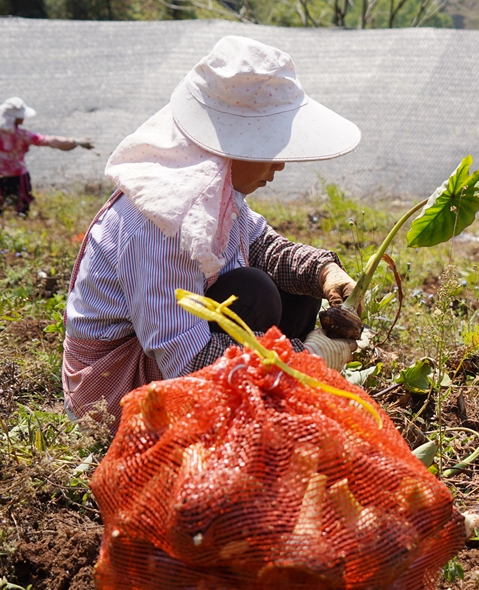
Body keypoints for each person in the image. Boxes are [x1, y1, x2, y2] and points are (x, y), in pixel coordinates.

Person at [62, 36, 364, 430]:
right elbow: (185, 358)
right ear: (230, 147)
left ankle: (266, 399)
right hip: (113, 392)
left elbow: (263, 246)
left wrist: (323, 271)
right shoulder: (161, 221)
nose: (280, 166)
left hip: (165, 357)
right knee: (254, 290)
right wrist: (307, 357)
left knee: (293, 290)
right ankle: (252, 405)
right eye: (270, 149)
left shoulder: (214, 194)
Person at [0, 97, 93, 217]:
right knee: (21, 210)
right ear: (14, 118)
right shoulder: (22, 135)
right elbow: (49, 140)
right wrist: (73, 141)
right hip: (18, 177)